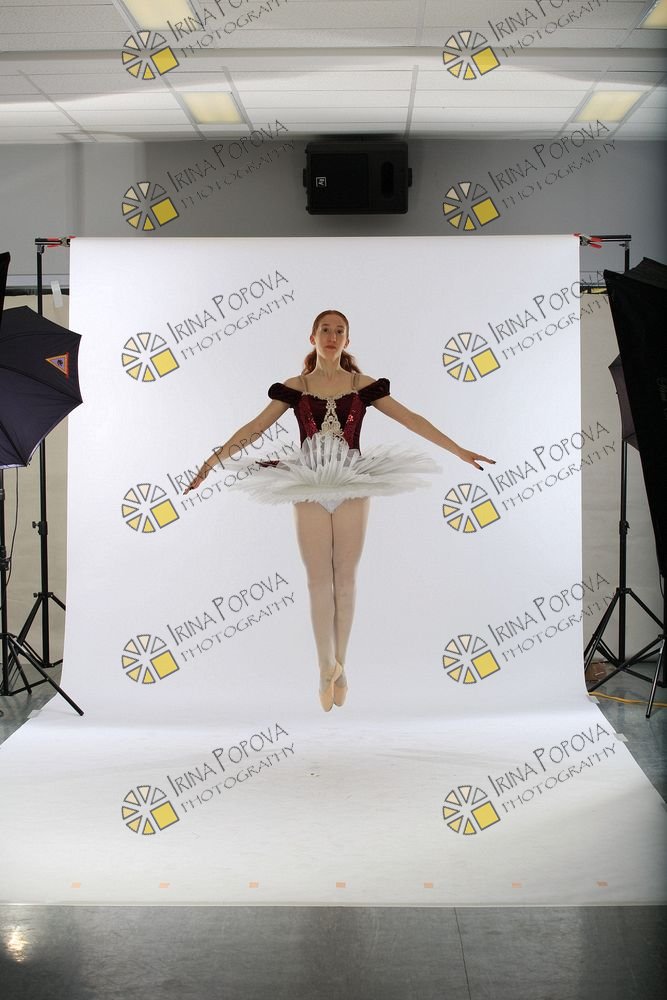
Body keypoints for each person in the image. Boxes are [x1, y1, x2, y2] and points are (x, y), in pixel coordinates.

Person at [185, 310, 494, 712]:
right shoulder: (295, 388)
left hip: (352, 480)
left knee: (345, 580)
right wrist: (212, 462)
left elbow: (411, 419)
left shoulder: (361, 386)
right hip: (308, 481)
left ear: (347, 340)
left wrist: (459, 450)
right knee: (318, 580)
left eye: (339, 331)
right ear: (312, 337)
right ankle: (323, 666)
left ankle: (341, 666)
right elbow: (254, 428)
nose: (332, 336)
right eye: (325, 330)